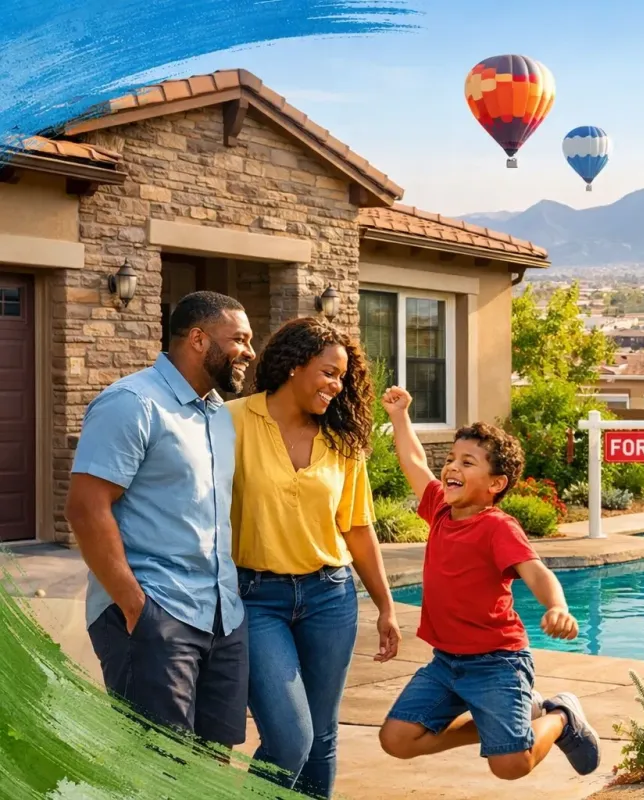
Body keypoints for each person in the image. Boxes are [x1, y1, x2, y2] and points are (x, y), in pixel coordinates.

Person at [375, 386, 602, 781]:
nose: (451, 468)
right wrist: (399, 416)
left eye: (467, 462)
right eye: (450, 460)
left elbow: (537, 571)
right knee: (396, 739)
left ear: (496, 484)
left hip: (498, 663)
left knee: (510, 766)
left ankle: (561, 715)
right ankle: (503, 729)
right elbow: (413, 461)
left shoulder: (497, 527)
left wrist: (558, 607)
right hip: (445, 662)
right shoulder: (441, 510)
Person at [67, 290, 255, 750]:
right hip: (156, 613)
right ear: (197, 338)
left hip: (221, 617)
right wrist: (136, 608)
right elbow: (87, 508)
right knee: (160, 767)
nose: (250, 351)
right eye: (240, 339)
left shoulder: (217, 415)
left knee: (214, 760)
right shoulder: (132, 403)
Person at [227, 316, 401, 798]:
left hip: (330, 596)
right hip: (256, 598)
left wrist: (385, 606)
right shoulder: (233, 420)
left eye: (342, 376)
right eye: (328, 372)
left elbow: (358, 529)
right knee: (290, 738)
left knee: (322, 737)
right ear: (294, 366)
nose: (336, 385)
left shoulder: (341, 440)